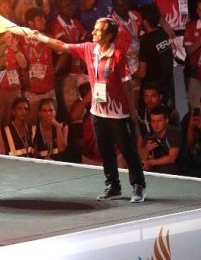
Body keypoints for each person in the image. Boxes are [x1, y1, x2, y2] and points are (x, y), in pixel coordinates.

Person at [30, 16, 146, 203]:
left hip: (118, 114)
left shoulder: (118, 55)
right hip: (97, 113)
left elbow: (127, 85)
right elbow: (62, 46)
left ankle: (138, 186)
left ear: (108, 36)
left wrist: (132, 111)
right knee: (105, 151)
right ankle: (113, 187)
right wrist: (40, 37)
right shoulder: (88, 48)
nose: (93, 32)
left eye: (98, 30)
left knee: (128, 150)